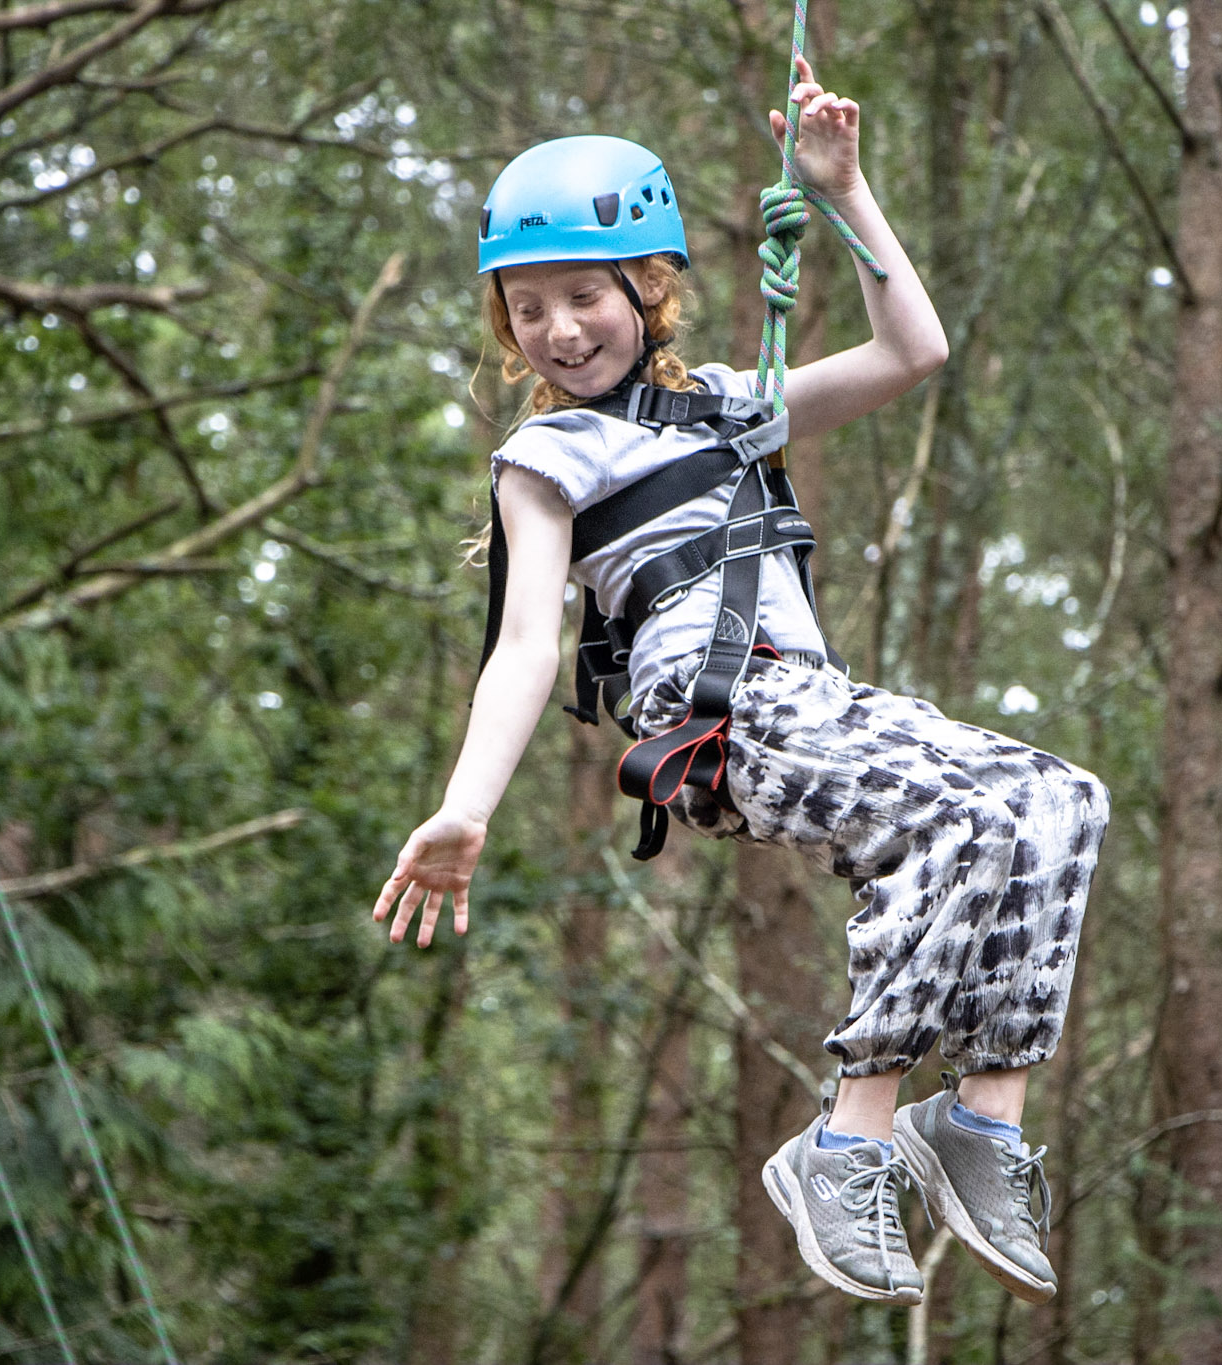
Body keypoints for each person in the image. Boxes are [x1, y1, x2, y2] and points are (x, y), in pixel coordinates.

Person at [372, 58, 1110, 1308]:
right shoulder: (545, 452)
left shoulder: (724, 406)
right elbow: (523, 644)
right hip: (720, 719)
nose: (559, 329)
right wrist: (465, 807)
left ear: (643, 291)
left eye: (583, 297)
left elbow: (910, 350)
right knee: (945, 822)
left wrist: (844, 191)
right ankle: (847, 1137)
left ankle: (979, 1124)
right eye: (529, 309)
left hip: (817, 702)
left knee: (1059, 800)